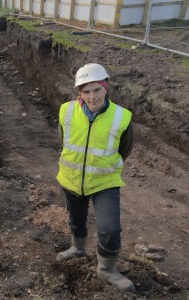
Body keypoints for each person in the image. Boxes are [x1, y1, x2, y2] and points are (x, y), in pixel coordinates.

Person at [55, 63, 135, 292]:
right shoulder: (66, 111)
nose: (92, 97)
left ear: (105, 87)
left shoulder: (122, 117)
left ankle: (106, 268)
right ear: (79, 92)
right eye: (86, 91)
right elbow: (63, 140)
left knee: (110, 229)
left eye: (97, 90)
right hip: (71, 179)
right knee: (76, 220)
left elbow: (125, 149)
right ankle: (77, 248)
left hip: (104, 182)